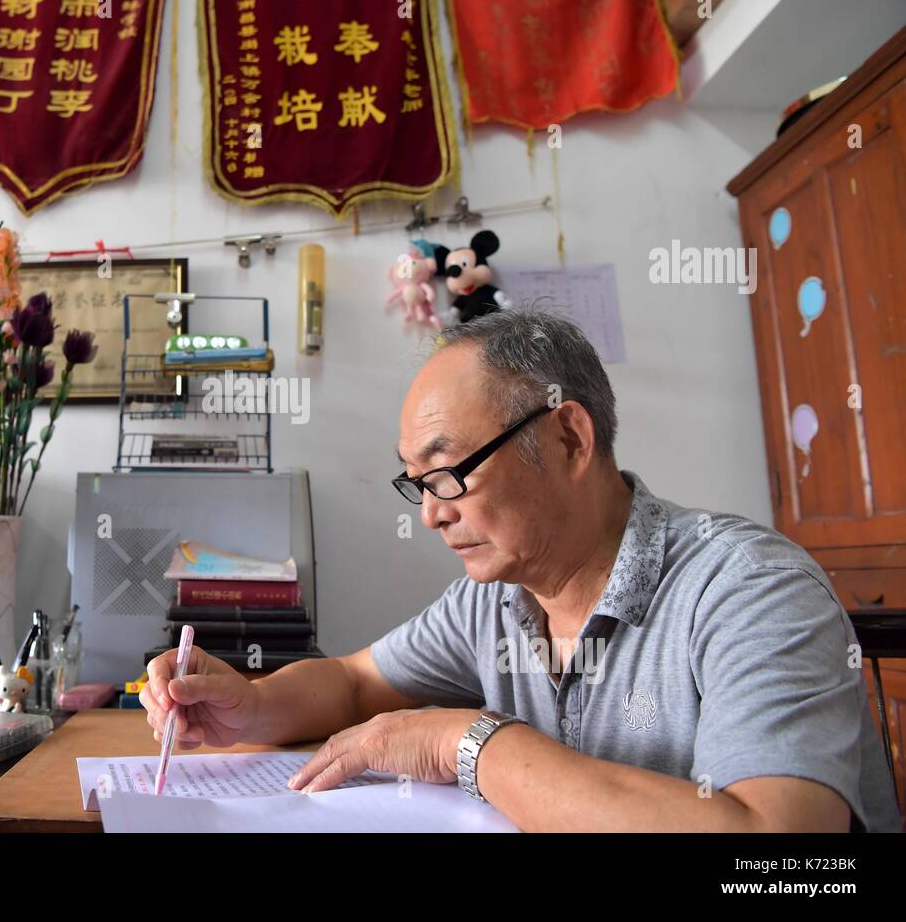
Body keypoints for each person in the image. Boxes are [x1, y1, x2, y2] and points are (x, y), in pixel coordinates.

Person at [141, 309, 901, 832]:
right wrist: (250, 704)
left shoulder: (749, 589)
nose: (431, 514)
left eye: (449, 473)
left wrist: (466, 744)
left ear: (570, 438)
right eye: (417, 482)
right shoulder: (496, 602)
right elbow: (350, 681)